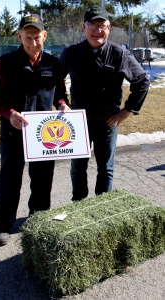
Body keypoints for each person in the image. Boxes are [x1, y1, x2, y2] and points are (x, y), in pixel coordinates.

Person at [0, 14, 69, 246]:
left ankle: (38, 219)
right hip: (14, 131)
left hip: (44, 134)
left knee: (43, 177)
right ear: (19, 36)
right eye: (28, 37)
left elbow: (60, 94)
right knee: (10, 178)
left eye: (37, 37)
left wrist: (63, 104)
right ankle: (3, 225)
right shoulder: (7, 61)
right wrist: (10, 113)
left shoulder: (53, 63)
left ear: (44, 36)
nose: (33, 42)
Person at [59, 6, 150, 201]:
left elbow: (142, 81)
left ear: (108, 28)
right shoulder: (71, 53)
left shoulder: (119, 54)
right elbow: (55, 81)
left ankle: (101, 206)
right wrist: (62, 103)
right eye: (93, 25)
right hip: (79, 122)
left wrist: (127, 111)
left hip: (107, 122)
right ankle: (79, 205)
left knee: (105, 168)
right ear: (84, 27)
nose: (97, 30)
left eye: (102, 25)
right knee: (78, 167)